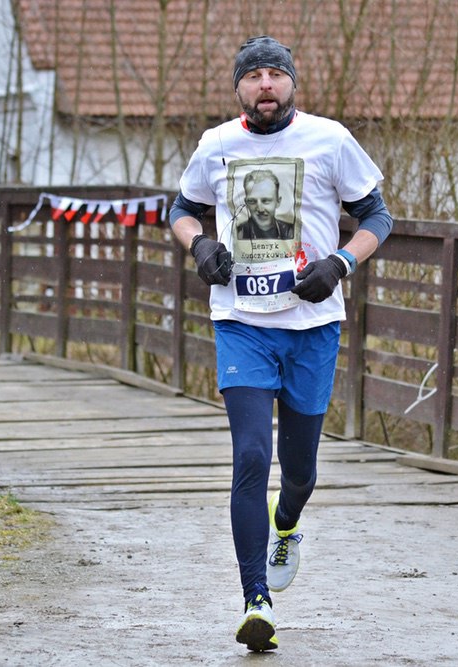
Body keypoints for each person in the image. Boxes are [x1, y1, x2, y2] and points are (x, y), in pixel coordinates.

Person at [168, 35, 393, 652]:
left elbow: (378, 217)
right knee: (250, 456)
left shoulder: (330, 139)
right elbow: (181, 210)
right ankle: (255, 600)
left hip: (312, 327)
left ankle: (286, 523)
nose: (265, 84)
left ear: (292, 82)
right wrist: (199, 244)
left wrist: (340, 263)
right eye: (253, 76)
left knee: (299, 474)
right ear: (239, 87)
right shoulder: (216, 144)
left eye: (275, 74)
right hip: (240, 322)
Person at [236, 169, 294, 240]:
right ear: (246, 203)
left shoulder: (291, 231)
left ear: (278, 202)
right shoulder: (237, 233)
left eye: (266, 201)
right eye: (252, 201)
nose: (260, 209)